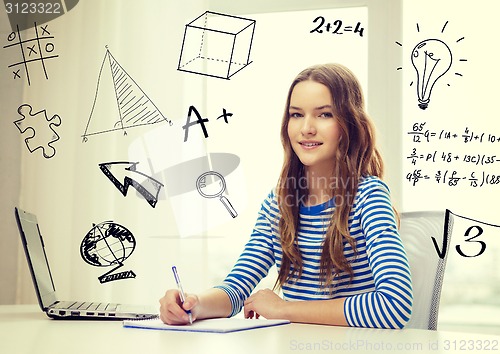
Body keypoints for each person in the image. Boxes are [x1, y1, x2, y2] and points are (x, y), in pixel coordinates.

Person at [159, 63, 413, 329]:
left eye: (324, 114)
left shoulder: (368, 197)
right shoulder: (278, 205)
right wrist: (194, 304)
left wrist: (283, 308)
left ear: (348, 124)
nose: (306, 128)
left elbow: (394, 306)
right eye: (296, 115)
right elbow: (235, 289)